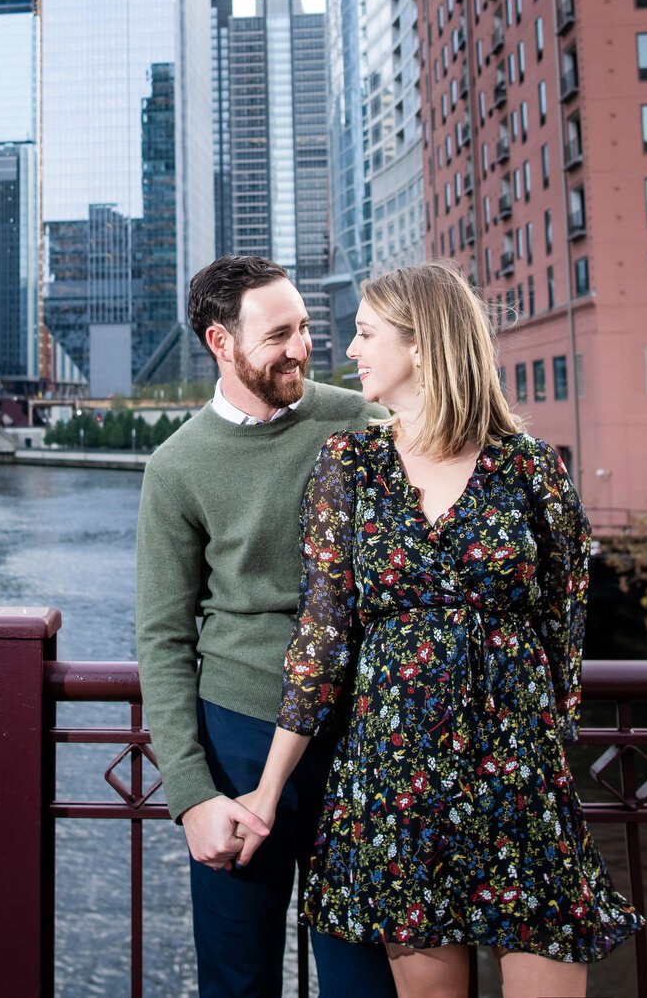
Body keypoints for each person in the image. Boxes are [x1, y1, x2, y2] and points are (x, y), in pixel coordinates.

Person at [234, 264, 642, 998]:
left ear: (421, 346)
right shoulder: (349, 465)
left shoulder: (530, 470)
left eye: (364, 334)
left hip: (517, 780)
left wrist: (534, 724)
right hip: (396, 779)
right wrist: (268, 789)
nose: (349, 352)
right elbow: (322, 638)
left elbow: (565, 613)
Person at [135, 256, 398, 998]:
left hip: (357, 736)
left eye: (307, 327)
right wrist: (189, 793)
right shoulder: (177, 467)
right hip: (238, 740)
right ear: (221, 342)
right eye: (279, 334)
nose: (303, 347)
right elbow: (162, 638)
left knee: (363, 980)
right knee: (238, 977)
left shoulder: (362, 422)